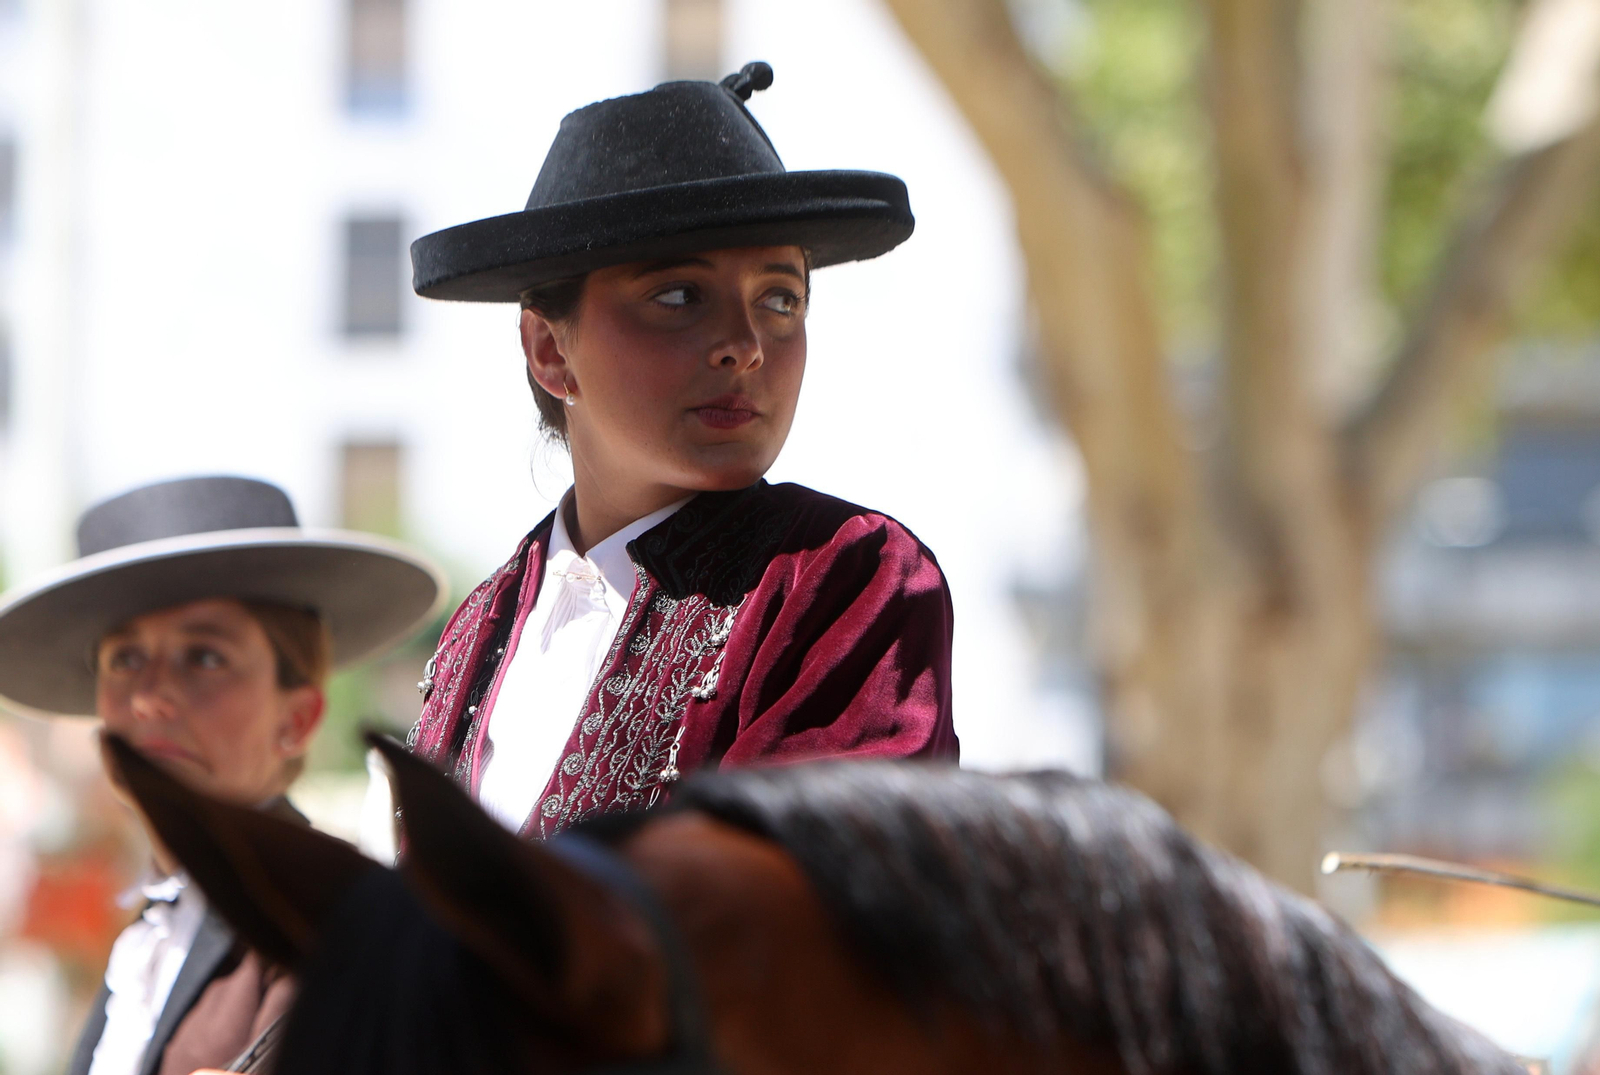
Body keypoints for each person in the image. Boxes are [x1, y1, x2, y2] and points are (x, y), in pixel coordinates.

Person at [388, 61, 958, 844]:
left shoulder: (846, 577)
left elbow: (813, 921)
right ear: (550, 349)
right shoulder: (479, 627)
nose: (745, 347)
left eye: (781, 299)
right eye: (680, 296)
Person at [0, 476, 444, 1075]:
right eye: (125, 659)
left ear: (297, 717)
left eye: (205, 656)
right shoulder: (147, 928)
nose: (151, 698)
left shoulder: (336, 925)